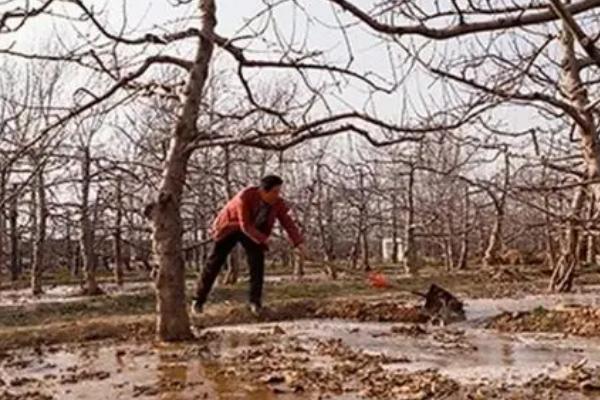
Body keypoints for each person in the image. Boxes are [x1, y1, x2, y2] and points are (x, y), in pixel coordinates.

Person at [192, 175, 305, 316]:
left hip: (254, 231)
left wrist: (298, 242)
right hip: (230, 227)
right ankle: (198, 301)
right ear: (264, 191)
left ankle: (255, 303)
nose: (277, 195)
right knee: (215, 262)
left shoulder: (277, 202)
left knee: (257, 263)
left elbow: (287, 221)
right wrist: (265, 239)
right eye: (275, 192)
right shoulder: (244, 197)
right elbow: (244, 225)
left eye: (279, 191)